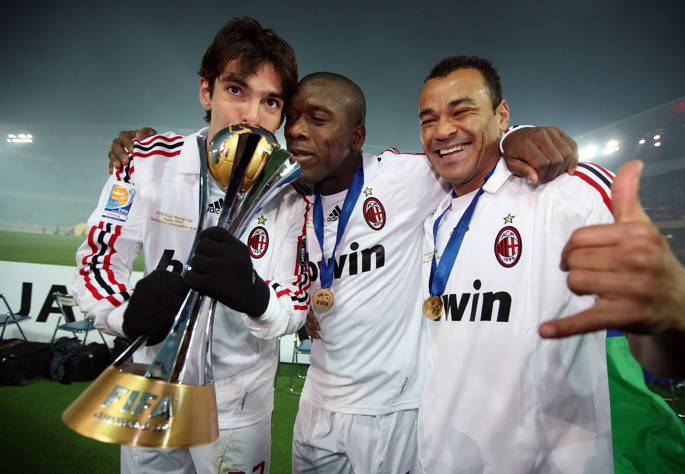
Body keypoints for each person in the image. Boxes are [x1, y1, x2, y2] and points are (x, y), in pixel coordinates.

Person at [110, 72, 578, 472]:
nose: (296, 131)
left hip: (391, 412)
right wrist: (142, 147)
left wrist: (516, 133)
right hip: (315, 406)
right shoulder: (282, 194)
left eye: (318, 119)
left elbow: (465, 153)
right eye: (292, 118)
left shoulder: (407, 178)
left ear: (356, 137)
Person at [415, 55, 685, 473]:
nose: (443, 130)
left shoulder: (566, 192)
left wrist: (677, 324)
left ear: (502, 114)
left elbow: (681, 346)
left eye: (462, 110)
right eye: (428, 119)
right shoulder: (431, 215)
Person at [73, 17, 309, 474]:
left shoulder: (292, 190)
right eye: (236, 90)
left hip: (237, 399)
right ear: (207, 91)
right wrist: (125, 314)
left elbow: (295, 303)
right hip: (150, 381)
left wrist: (257, 298)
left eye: (270, 101)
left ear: (281, 114)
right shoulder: (146, 160)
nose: (251, 116)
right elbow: (97, 261)